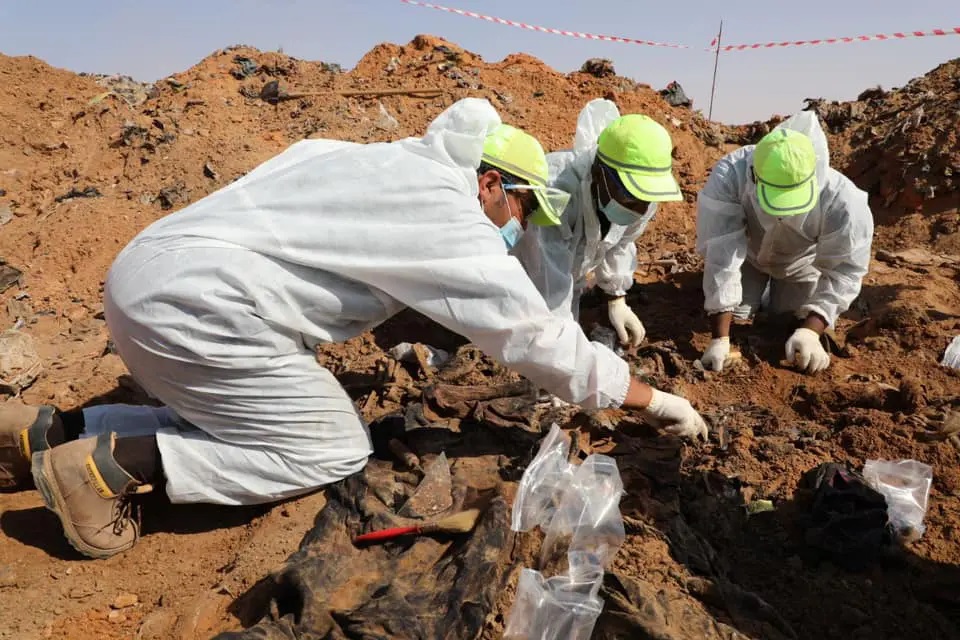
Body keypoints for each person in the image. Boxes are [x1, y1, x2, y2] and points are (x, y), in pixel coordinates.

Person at [0, 98, 708, 559]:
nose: (519, 230)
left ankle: (52, 430)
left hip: (149, 276)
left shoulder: (375, 158)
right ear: (492, 183)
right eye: (522, 213)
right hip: (202, 309)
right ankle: (101, 472)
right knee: (331, 447)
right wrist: (647, 397)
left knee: (236, 408)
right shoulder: (451, 218)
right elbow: (536, 337)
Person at [695, 111, 873, 373]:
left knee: (788, 323)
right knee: (740, 319)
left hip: (801, 265)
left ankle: (780, 303)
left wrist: (812, 330)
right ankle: (752, 298)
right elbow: (722, 248)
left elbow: (844, 270)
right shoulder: (733, 174)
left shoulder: (843, 201)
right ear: (755, 176)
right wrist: (720, 338)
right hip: (749, 258)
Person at [511, 98, 683, 347]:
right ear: (600, 172)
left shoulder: (645, 197)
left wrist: (616, 297)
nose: (640, 207)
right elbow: (547, 276)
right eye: (630, 195)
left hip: (566, 282)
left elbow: (621, 244)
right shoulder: (557, 191)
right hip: (523, 283)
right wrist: (565, 345)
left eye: (645, 199)